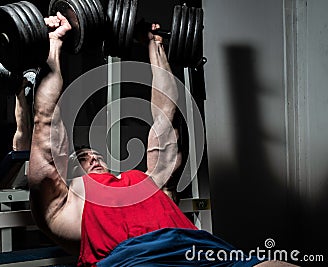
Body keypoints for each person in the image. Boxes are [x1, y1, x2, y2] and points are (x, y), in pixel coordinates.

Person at [28, 12, 298, 267]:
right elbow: (46, 125)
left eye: (95, 154)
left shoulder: (146, 181)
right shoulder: (64, 205)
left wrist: (154, 45)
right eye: (83, 157)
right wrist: (52, 45)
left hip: (203, 251)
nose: (94, 157)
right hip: (136, 259)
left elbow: (165, 116)